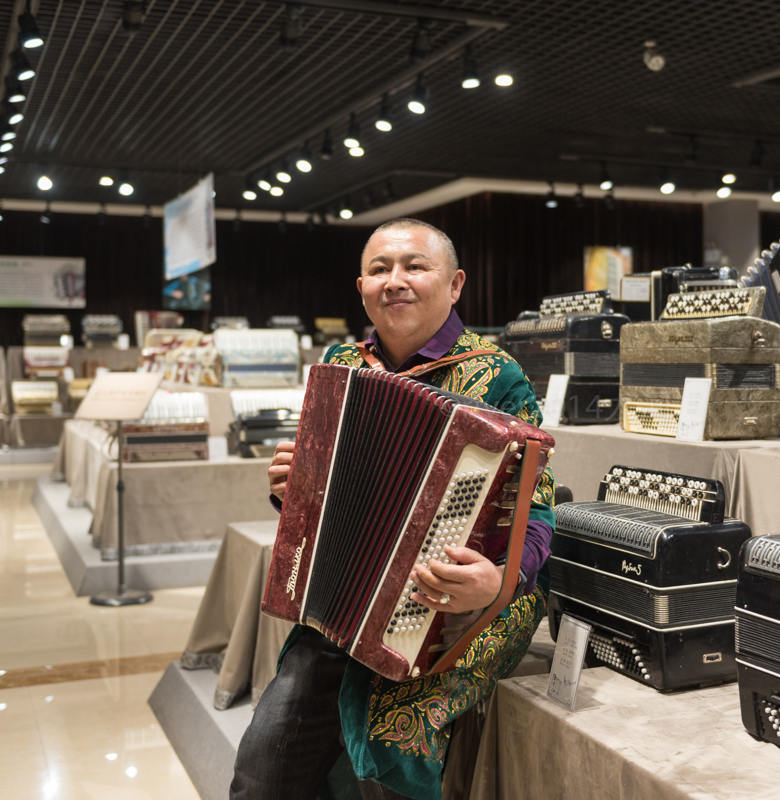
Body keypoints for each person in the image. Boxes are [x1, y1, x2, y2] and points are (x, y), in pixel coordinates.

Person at [230, 218, 556, 800]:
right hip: (342, 606)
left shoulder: (497, 375)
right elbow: (325, 502)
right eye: (379, 270)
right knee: (263, 767)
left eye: (414, 267)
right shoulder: (341, 367)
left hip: (449, 607)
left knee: (388, 754)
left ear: (455, 285)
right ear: (361, 287)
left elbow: (537, 507)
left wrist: (500, 580)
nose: (395, 281)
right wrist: (293, 491)